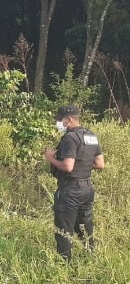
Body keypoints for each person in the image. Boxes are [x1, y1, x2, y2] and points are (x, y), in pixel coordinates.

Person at [43, 105, 105, 261]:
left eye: (60, 120)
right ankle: (90, 259)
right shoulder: (91, 136)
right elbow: (100, 164)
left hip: (70, 190)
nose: (58, 123)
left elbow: (67, 166)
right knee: (85, 227)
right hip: (87, 189)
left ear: (68, 119)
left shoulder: (70, 138)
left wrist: (50, 157)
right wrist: (81, 163)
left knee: (64, 230)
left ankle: (64, 265)